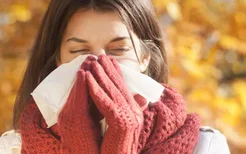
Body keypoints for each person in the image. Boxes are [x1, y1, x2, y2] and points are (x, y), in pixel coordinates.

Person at [0, 0, 230, 154]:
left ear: (145, 57)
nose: (100, 64)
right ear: (58, 60)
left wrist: (124, 137)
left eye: (118, 50)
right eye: (80, 52)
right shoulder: (13, 148)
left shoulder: (203, 147)